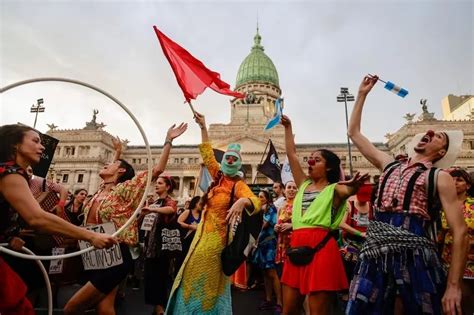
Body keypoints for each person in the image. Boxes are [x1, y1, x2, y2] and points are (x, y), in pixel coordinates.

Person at [346, 75, 468, 315]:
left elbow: (460, 231)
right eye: (429, 132)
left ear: (441, 151)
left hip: (415, 257)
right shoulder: (388, 164)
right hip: (375, 255)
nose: (430, 132)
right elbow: (354, 133)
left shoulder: (439, 177)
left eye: (438, 136)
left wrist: (454, 286)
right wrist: (362, 95)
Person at [63, 122, 187, 315]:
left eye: (111, 163)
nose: (106, 164)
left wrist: (168, 140)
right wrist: (117, 154)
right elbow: (112, 174)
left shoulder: (125, 190)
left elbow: (156, 170)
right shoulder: (99, 192)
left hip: (116, 253)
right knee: (104, 308)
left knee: (71, 308)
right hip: (95, 253)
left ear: (120, 172)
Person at [0, 124, 116, 315]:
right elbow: (37, 218)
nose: (43, 147)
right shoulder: (9, 173)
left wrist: (9, 235)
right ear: (15, 145)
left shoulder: (11, 172)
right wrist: (89, 236)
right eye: (35, 141)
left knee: (19, 303)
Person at [166, 112, 260, 314]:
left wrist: (243, 200)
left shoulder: (238, 184)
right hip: (201, 236)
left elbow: (257, 202)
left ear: (239, 164)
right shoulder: (217, 178)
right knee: (190, 275)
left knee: (205, 279)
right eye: (228, 157)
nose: (231, 161)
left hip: (217, 239)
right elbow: (208, 154)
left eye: (235, 159)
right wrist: (203, 126)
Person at [280, 114, 368, 315]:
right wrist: (288, 127)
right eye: (309, 159)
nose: (309, 162)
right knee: (288, 311)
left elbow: (348, 191)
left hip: (322, 249)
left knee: (318, 312)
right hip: (297, 246)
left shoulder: (335, 189)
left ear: (328, 166)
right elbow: (292, 155)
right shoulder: (303, 184)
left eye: (316, 160)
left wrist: (354, 187)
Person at [143, 176, 179, 315]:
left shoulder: (169, 201)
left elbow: (171, 210)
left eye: (160, 183)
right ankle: (156, 305)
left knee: (160, 276)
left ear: (168, 187)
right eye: (156, 183)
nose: (156, 185)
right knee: (151, 276)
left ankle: (160, 307)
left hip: (161, 246)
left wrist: (154, 210)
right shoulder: (153, 201)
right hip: (150, 245)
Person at [440, 168, 474, 314]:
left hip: (470, 263)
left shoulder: (472, 206)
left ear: (468, 185)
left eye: (459, 180)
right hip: (447, 262)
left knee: (466, 301)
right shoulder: (442, 207)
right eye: (452, 179)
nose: (454, 183)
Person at [252, 189, 282, 312]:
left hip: (270, 243)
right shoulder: (262, 209)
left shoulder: (271, 208)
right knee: (265, 272)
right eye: (258, 197)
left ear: (267, 198)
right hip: (262, 244)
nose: (259, 199)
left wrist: (260, 213)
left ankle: (279, 302)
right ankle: (269, 299)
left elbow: (265, 224)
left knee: (272, 272)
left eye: (261, 197)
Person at [274, 180, 297, 276]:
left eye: (294, 188)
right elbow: (276, 224)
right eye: (289, 187)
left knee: (293, 273)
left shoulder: (299, 206)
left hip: (294, 243)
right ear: (284, 190)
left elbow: (305, 224)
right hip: (281, 244)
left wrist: (292, 226)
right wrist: (276, 227)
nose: (291, 190)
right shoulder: (280, 208)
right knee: (282, 274)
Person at [177, 196, 202, 260]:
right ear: (196, 203)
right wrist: (190, 226)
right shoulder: (188, 212)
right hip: (185, 240)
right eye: (201, 203)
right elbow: (179, 221)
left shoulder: (202, 215)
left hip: (195, 242)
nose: (202, 205)